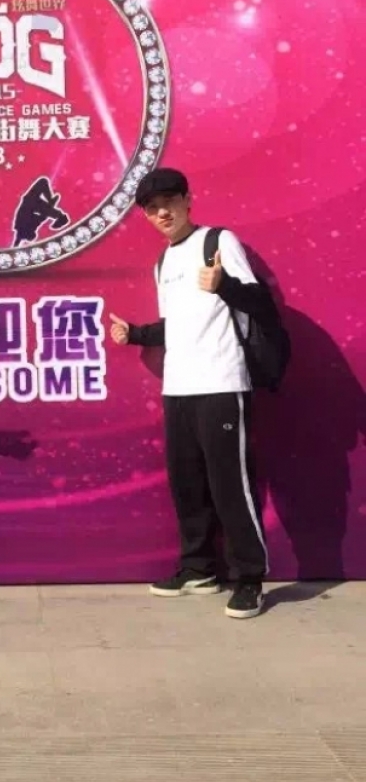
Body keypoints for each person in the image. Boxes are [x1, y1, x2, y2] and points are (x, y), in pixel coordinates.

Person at [109, 168, 269, 618]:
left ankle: (250, 578)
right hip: (178, 386)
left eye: (169, 202)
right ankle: (198, 569)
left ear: (187, 200)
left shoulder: (218, 241)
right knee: (187, 484)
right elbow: (176, 324)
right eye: (152, 208)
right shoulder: (163, 262)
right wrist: (136, 334)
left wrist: (225, 285)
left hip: (221, 382)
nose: (162, 212)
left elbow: (259, 303)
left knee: (230, 485)